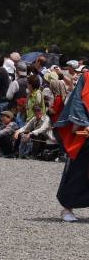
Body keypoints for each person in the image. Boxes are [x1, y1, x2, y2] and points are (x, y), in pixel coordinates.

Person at [55, 67, 89, 222]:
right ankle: (67, 208)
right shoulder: (86, 77)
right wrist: (83, 123)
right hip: (85, 134)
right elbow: (77, 103)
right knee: (78, 171)